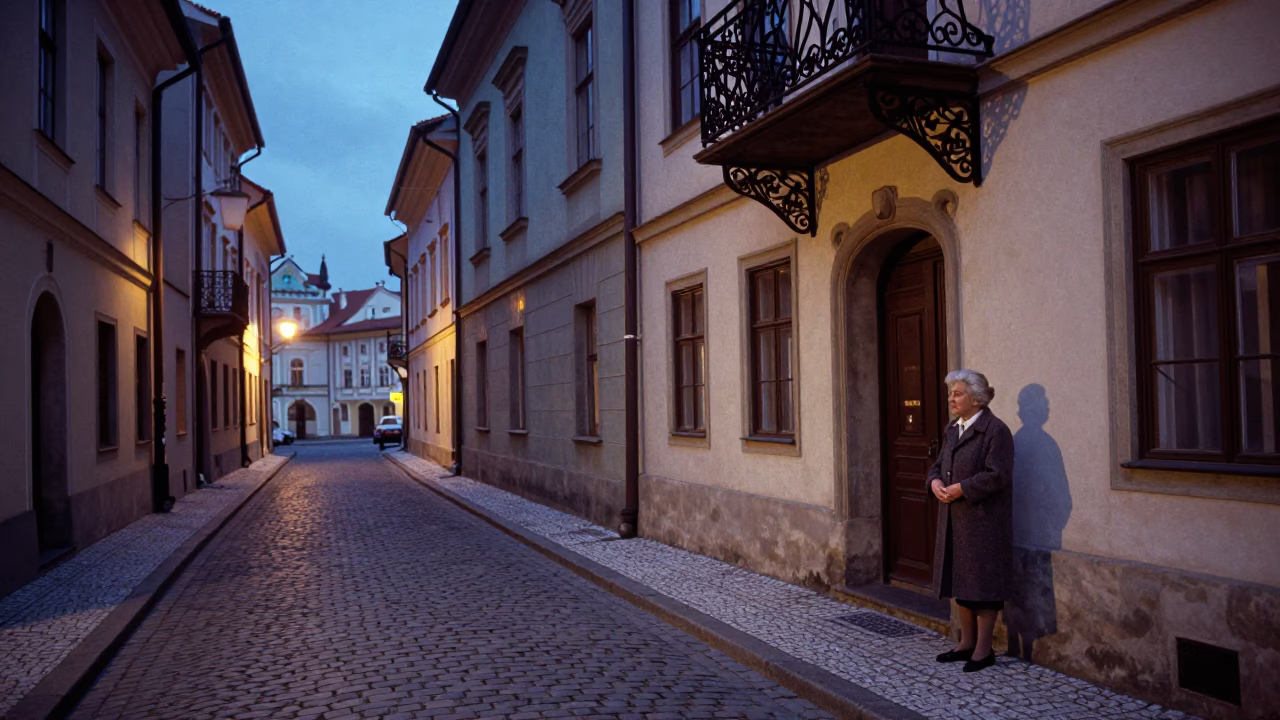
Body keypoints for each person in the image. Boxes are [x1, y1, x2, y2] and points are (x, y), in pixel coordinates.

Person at [927, 369, 1014, 673]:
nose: (951, 398)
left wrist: (963, 488)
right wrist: (935, 483)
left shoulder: (995, 431)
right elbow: (937, 466)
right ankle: (965, 643)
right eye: (951, 392)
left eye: (958, 393)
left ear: (976, 398)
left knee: (983, 586)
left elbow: (998, 474)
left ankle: (983, 649)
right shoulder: (954, 428)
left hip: (983, 522)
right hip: (955, 518)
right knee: (960, 582)